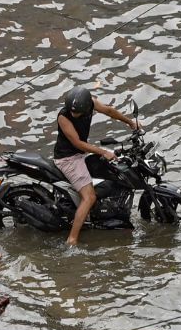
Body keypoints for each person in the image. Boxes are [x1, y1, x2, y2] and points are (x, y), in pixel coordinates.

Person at [52, 86, 140, 246]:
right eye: (72, 111)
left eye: (77, 113)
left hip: (80, 154)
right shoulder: (63, 117)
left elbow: (109, 111)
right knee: (89, 197)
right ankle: (71, 240)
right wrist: (103, 152)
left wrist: (130, 123)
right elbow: (78, 143)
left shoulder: (90, 103)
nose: (74, 115)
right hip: (68, 158)